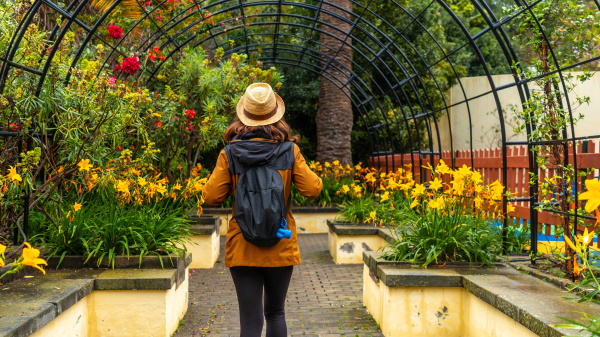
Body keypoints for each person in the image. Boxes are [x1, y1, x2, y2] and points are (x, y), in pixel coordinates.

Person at [202, 82, 323, 337]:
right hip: (280, 242)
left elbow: (212, 197)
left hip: (242, 245)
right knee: (275, 314)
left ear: (243, 116)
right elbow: (313, 189)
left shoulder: (230, 154)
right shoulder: (290, 151)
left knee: (250, 321)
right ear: (275, 116)